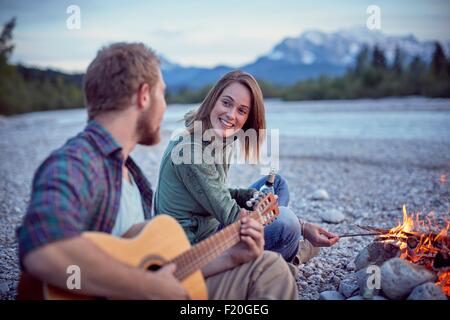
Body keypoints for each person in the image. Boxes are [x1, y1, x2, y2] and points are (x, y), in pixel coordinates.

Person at [16, 43, 297, 300]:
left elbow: (159, 268)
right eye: (162, 93)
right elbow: (42, 250)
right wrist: (147, 286)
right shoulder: (77, 163)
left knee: (268, 265)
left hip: (178, 265)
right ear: (144, 96)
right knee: (271, 270)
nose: (165, 108)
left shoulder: (127, 174)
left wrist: (232, 257)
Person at [154, 70, 339, 265]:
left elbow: (217, 191)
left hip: (211, 222)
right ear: (213, 100)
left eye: (242, 110)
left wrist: (250, 196)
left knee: (278, 185)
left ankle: (281, 251)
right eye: (226, 103)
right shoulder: (191, 151)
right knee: (287, 223)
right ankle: (293, 256)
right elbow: (233, 217)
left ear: (248, 118)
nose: (231, 115)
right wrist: (302, 226)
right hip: (194, 248)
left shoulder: (216, 136)